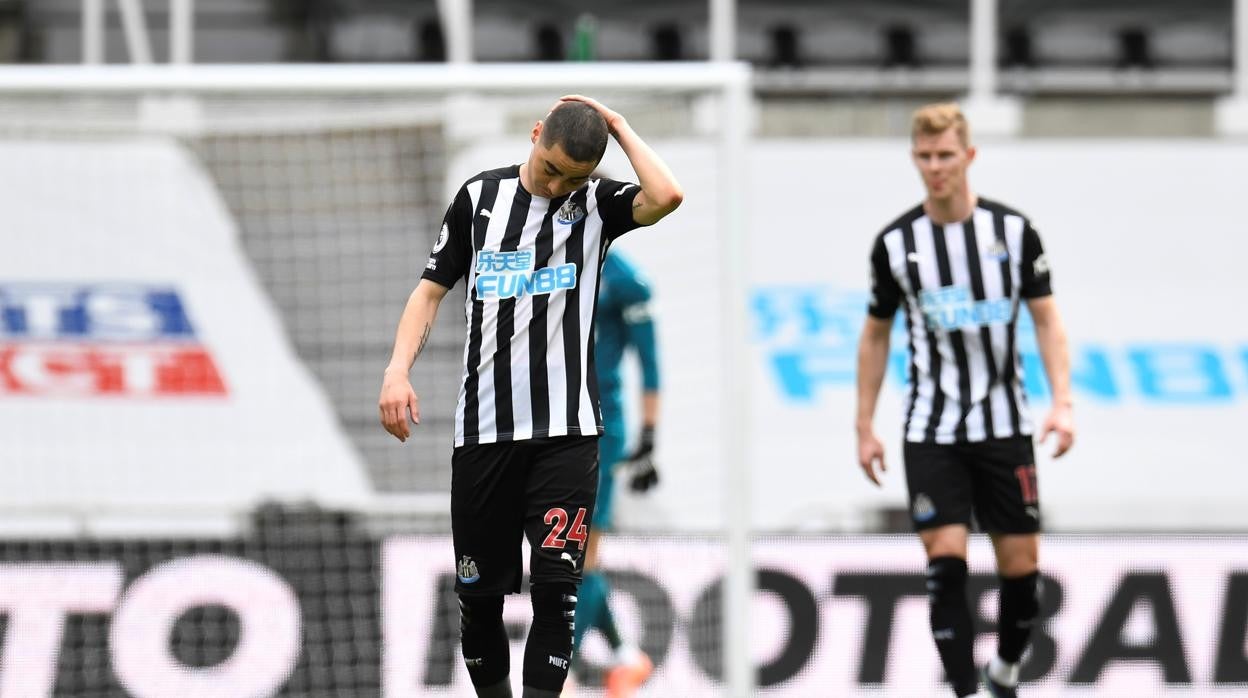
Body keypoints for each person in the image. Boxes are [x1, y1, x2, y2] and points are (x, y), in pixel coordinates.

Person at [378, 96, 682, 698]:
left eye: (573, 176)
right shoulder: (478, 200)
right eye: (550, 167)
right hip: (485, 434)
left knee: (557, 593)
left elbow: (668, 195)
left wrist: (617, 127)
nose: (556, 184)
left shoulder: (595, 205)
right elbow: (429, 292)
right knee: (480, 601)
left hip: (568, 438)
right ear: (536, 133)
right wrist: (396, 370)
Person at [854, 102, 1075, 698]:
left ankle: (1004, 670)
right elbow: (875, 334)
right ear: (914, 160)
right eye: (925, 157)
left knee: (1022, 567)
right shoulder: (897, 244)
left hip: (1004, 424)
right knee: (946, 559)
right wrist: (864, 425)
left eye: (946, 155)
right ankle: (964, 690)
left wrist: (1063, 402)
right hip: (932, 428)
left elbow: (1048, 321)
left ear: (969, 156)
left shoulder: (1013, 232)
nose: (935, 167)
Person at [572, 247, 662, 697]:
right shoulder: (545, 262)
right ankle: (626, 655)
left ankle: (559, 676)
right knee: (559, 554)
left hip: (599, 429)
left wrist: (648, 438)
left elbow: (650, 361)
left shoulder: (626, 280)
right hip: (549, 429)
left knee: (580, 552)